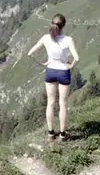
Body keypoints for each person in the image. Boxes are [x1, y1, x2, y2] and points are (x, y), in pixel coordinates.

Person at [22, 13, 80, 141]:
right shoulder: (68, 40)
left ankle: (50, 133)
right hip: (63, 72)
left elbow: (30, 53)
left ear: (51, 24)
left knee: (50, 103)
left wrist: (43, 63)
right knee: (63, 104)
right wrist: (70, 66)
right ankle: (63, 134)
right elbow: (77, 58)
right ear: (63, 26)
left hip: (50, 71)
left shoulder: (45, 38)